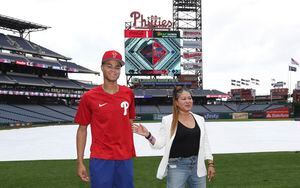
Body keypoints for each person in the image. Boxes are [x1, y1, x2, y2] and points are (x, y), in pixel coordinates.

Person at [75, 50, 136, 188]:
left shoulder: (128, 93)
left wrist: (128, 148)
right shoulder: (89, 97)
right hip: (101, 158)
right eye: (109, 65)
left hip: (124, 158)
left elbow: (129, 120)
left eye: (117, 67)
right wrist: (80, 161)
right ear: (102, 67)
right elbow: (82, 130)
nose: (113, 70)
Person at [133, 86, 216, 188]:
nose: (188, 101)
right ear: (176, 102)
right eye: (183, 99)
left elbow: (205, 143)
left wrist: (210, 163)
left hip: (198, 166)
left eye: (189, 98)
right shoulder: (168, 120)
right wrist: (148, 135)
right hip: (177, 167)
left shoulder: (200, 119)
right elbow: (159, 144)